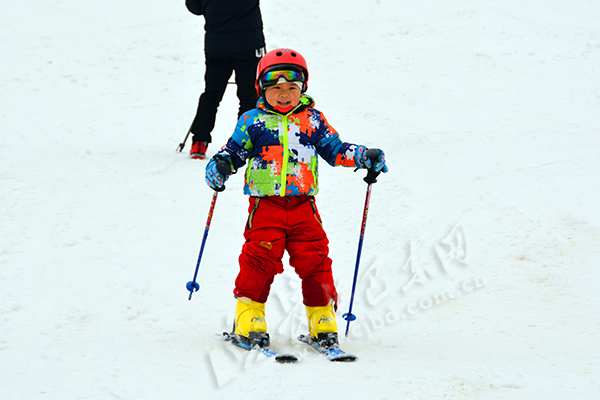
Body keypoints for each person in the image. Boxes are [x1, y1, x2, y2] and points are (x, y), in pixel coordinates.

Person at [204, 48, 389, 351]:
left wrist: (362, 155)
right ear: (261, 88)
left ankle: (322, 318)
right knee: (259, 261)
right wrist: (220, 166)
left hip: (304, 207)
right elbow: (233, 151)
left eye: (292, 87)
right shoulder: (252, 121)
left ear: (303, 88)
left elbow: (335, 149)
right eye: (275, 87)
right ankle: (249, 316)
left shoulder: (312, 120)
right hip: (266, 207)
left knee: (316, 261)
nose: (284, 94)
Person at [185, 0, 266, 159]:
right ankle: (245, 142)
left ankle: (199, 141)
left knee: (212, 94)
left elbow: (194, 6)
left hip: (217, 45)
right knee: (249, 96)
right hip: (249, 43)